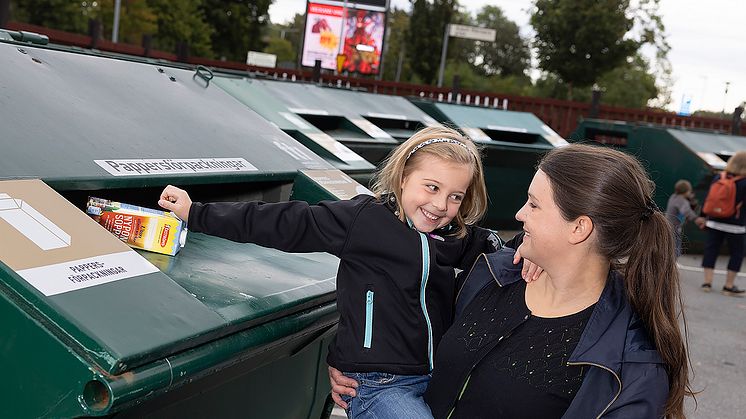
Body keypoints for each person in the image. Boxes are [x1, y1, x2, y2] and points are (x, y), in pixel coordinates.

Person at [158, 126, 504, 418]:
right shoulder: (364, 221)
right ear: (402, 177)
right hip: (376, 384)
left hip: (435, 378)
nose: (441, 205)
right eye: (431, 187)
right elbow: (284, 223)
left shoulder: (453, 237)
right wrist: (197, 212)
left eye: (455, 196)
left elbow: (503, 250)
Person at [331, 144, 693, 418]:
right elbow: (412, 319)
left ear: (579, 228)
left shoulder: (630, 364)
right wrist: (363, 365)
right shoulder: (493, 274)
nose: (520, 214)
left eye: (534, 205)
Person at [700, 151, 746, 296]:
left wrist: (705, 217)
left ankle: (707, 282)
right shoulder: (744, 182)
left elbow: (709, 199)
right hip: (736, 225)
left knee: (711, 250)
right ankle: (728, 286)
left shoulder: (718, 177)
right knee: (737, 253)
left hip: (714, 221)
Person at [665, 179, 705, 255]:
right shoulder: (682, 201)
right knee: (675, 251)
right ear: (686, 191)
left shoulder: (673, 197)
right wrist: (696, 218)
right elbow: (686, 211)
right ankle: (671, 264)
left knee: (669, 248)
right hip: (674, 228)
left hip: (668, 226)